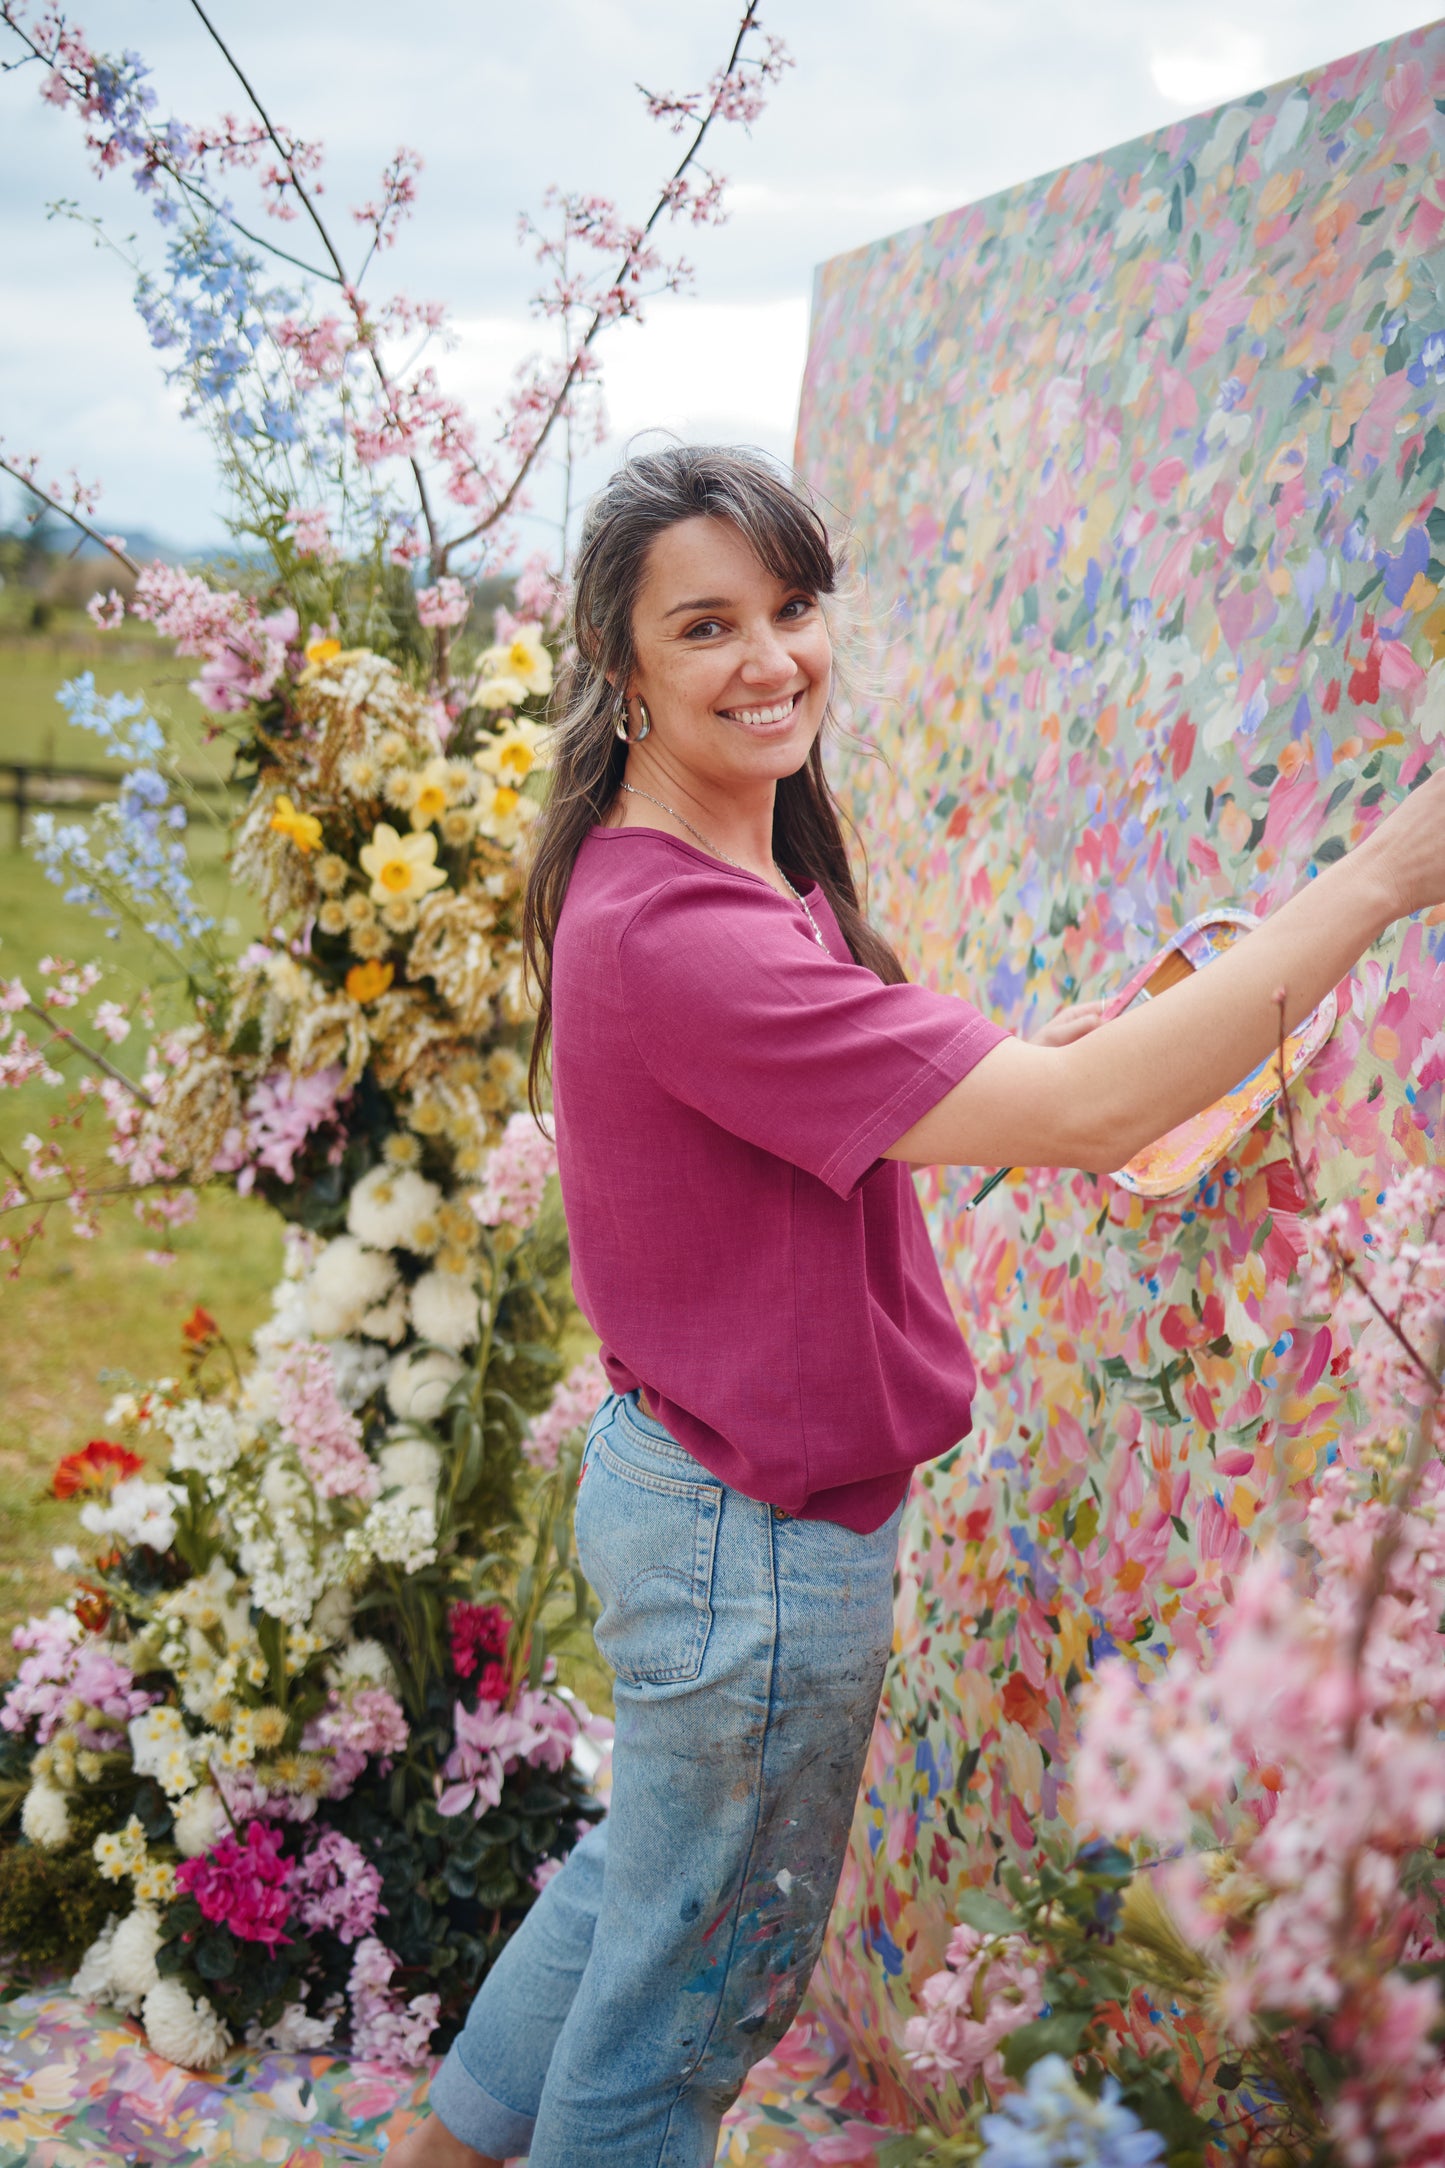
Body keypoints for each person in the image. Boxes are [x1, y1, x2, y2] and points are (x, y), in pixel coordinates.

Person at [389, 445, 1445, 2168]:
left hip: (685, 1497)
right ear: (620, 667)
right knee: (686, 2003)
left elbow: (947, 1101)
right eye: (708, 625)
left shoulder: (688, 882)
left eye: (793, 609)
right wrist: (1383, 878)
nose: (771, 659)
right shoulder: (692, 934)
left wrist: (1071, 1049)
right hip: (749, 1547)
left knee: (639, 1891)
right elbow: (1086, 1120)